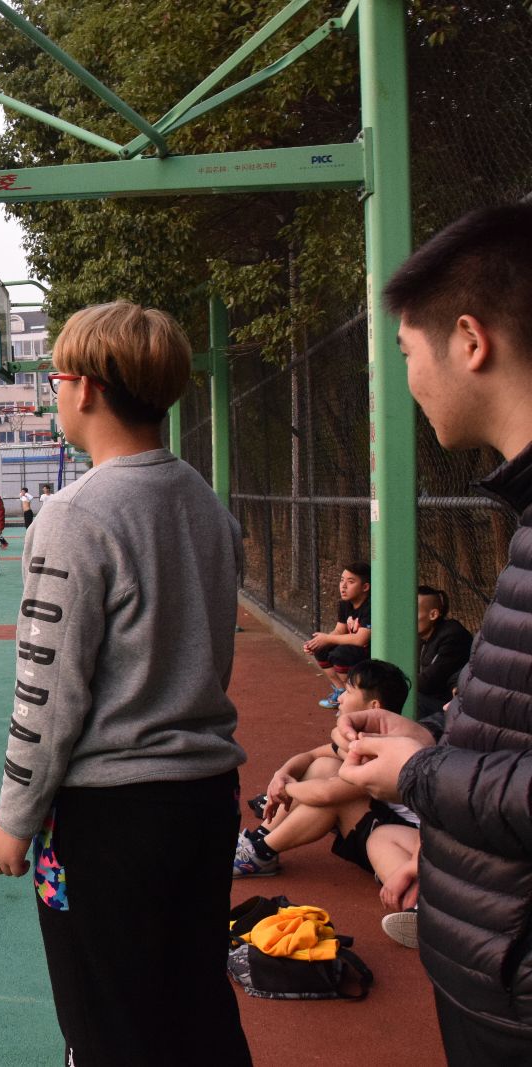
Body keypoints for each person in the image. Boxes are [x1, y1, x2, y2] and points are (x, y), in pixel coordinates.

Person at [0, 301, 252, 1067]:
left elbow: (48, 691)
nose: (55, 393)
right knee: (196, 1008)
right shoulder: (206, 504)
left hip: (109, 817)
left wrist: (15, 816)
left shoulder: (75, 516)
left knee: (105, 1024)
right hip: (206, 799)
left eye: (57, 378)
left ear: (89, 388)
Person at [338, 202, 532, 1063]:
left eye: (406, 352)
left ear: (470, 340)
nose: (408, 379)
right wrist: (431, 752)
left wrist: (421, 774)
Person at [233, 660, 419, 890]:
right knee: (323, 765)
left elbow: (326, 794)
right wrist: (281, 774)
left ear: (374, 707)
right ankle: (259, 839)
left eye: (348, 691)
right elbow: (311, 755)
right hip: (386, 826)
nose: (340, 698)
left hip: (403, 846)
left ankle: (260, 854)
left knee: (332, 802)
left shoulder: (385, 752)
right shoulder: (364, 737)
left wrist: (286, 788)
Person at [303, 562, 372, 709]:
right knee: (321, 648)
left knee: (340, 654)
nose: (343, 586)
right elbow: (339, 631)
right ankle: (341, 691)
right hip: (354, 650)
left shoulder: (371, 607)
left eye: (350, 582)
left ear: (365, 587)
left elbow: (361, 639)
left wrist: (327, 638)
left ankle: (354, 699)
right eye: (342, 580)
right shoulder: (345, 604)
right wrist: (317, 642)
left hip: (370, 652)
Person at [416, 585, 471, 703]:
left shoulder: (453, 636)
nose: (405, 617)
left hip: (446, 704)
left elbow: (428, 682)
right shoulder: (421, 637)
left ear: (433, 615)